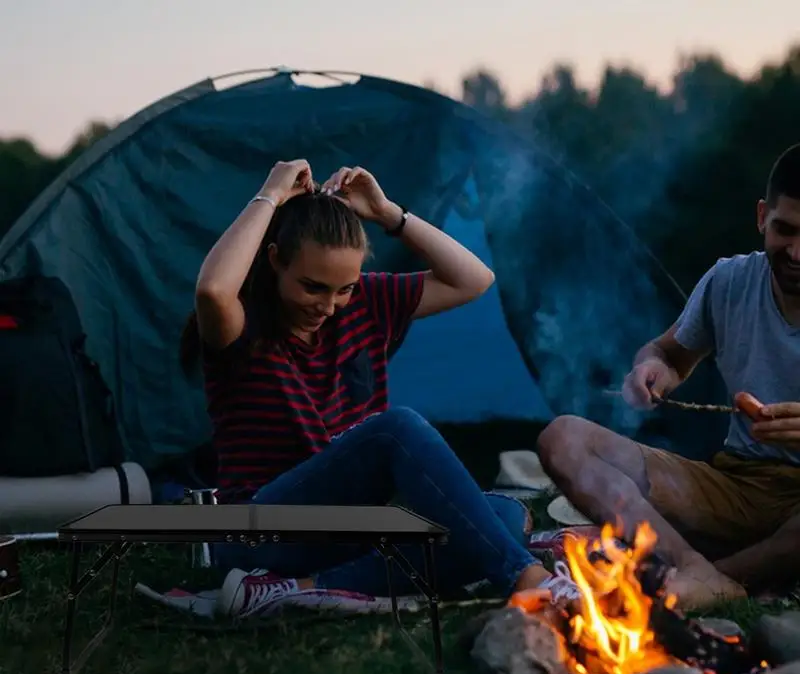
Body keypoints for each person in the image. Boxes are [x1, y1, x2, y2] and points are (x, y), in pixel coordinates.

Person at [180, 158, 580, 617]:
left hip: (347, 528)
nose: (328, 306)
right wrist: (270, 194)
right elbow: (212, 290)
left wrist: (391, 214)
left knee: (503, 518)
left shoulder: (367, 303)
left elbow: (474, 279)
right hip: (264, 530)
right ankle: (528, 577)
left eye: (343, 289)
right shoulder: (240, 326)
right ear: (274, 261)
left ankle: (296, 589)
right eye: (312, 287)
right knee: (396, 431)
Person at [536, 142, 800, 611]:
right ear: (763, 216)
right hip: (734, 488)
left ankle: (710, 580)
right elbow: (669, 353)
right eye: (785, 230)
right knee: (564, 438)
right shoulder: (730, 282)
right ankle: (695, 569)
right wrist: (653, 370)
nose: (796, 252)